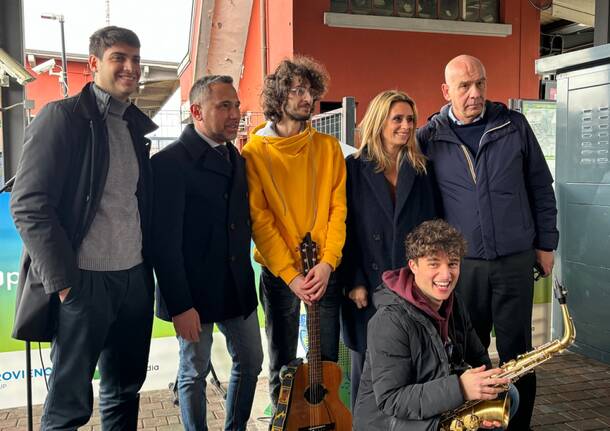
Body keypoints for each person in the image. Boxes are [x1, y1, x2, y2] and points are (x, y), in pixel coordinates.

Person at [10, 26, 157, 430]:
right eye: (119, 58)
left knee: (124, 392)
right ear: (94, 64)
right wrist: (63, 282)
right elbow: (28, 205)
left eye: (136, 59)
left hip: (133, 280)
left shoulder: (133, 126)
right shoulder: (62, 118)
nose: (131, 67)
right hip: (83, 282)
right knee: (68, 407)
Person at [417, 54, 558, 430]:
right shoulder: (430, 137)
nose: (475, 92)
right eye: (464, 86)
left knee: (519, 354)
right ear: (447, 91)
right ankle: (474, 424)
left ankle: (519, 424)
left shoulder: (514, 126)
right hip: (463, 267)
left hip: (514, 259)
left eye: (480, 83)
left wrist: (546, 244)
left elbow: (541, 187)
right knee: (467, 354)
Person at [151, 75, 262, 431]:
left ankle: (236, 427)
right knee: (193, 371)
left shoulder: (238, 158)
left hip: (237, 288)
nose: (235, 114)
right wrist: (181, 305)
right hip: (193, 294)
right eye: (224, 106)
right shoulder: (169, 163)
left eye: (237, 105)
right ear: (197, 111)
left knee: (251, 361)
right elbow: (163, 244)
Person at [241, 57, 347, 408]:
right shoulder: (255, 153)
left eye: (310, 90)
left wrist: (328, 263)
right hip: (280, 276)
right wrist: (290, 275)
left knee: (327, 363)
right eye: (297, 90)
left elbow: (338, 211)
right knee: (283, 366)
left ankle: (327, 421)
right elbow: (260, 220)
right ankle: (284, 421)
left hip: (325, 272)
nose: (307, 98)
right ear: (277, 97)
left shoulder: (329, 149)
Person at [353, 219, 518, 431]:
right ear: (413, 265)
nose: (446, 275)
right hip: (388, 421)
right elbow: (391, 400)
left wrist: (485, 395)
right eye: (434, 264)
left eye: (452, 263)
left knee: (508, 394)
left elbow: (478, 359)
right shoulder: (389, 320)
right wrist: (461, 389)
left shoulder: (453, 302)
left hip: (431, 402)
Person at [339, 90, 440, 408]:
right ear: (379, 122)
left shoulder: (423, 169)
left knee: (412, 366)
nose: (407, 125)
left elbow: (434, 227)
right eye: (397, 118)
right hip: (368, 285)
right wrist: (354, 279)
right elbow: (345, 227)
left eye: (410, 119)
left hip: (413, 286)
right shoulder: (353, 168)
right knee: (367, 369)